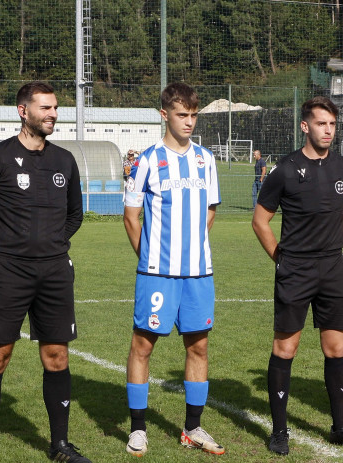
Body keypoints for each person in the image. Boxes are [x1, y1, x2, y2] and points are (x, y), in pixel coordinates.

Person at [0, 81, 89, 463]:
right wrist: (0, 249)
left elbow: (75, 214)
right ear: (22, 110)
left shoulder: (64, 160)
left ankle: (59, 445)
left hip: (54, 274)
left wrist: (52, 246)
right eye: (44, 108)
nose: (52, 114)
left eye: (55, 108)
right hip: (8, 273)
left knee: (57, 357)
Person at [252, 96, 343, 455]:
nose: (328, 130)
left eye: (332, 124)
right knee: (286, 347)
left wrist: (332, 245)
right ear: (305, 126)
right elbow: (260, 220)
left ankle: (340, 427)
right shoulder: (285, 170)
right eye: (321, 124)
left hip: (333, 268)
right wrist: (281, 259)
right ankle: (280, 431)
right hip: (295, 269)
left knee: (337, 348)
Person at [123, 82, 224, 457]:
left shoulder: (206, 159)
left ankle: (193, 428)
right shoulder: (146, 160)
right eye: (182, 114)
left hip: (199, 273)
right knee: (142, 345)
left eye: (194, 115)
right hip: (157, 274)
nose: (189, 122)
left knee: (198, 346)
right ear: (164, 114)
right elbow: (131, 216)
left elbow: (210, 211)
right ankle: (137, 429)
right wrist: (150, 255)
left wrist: (191, 248)